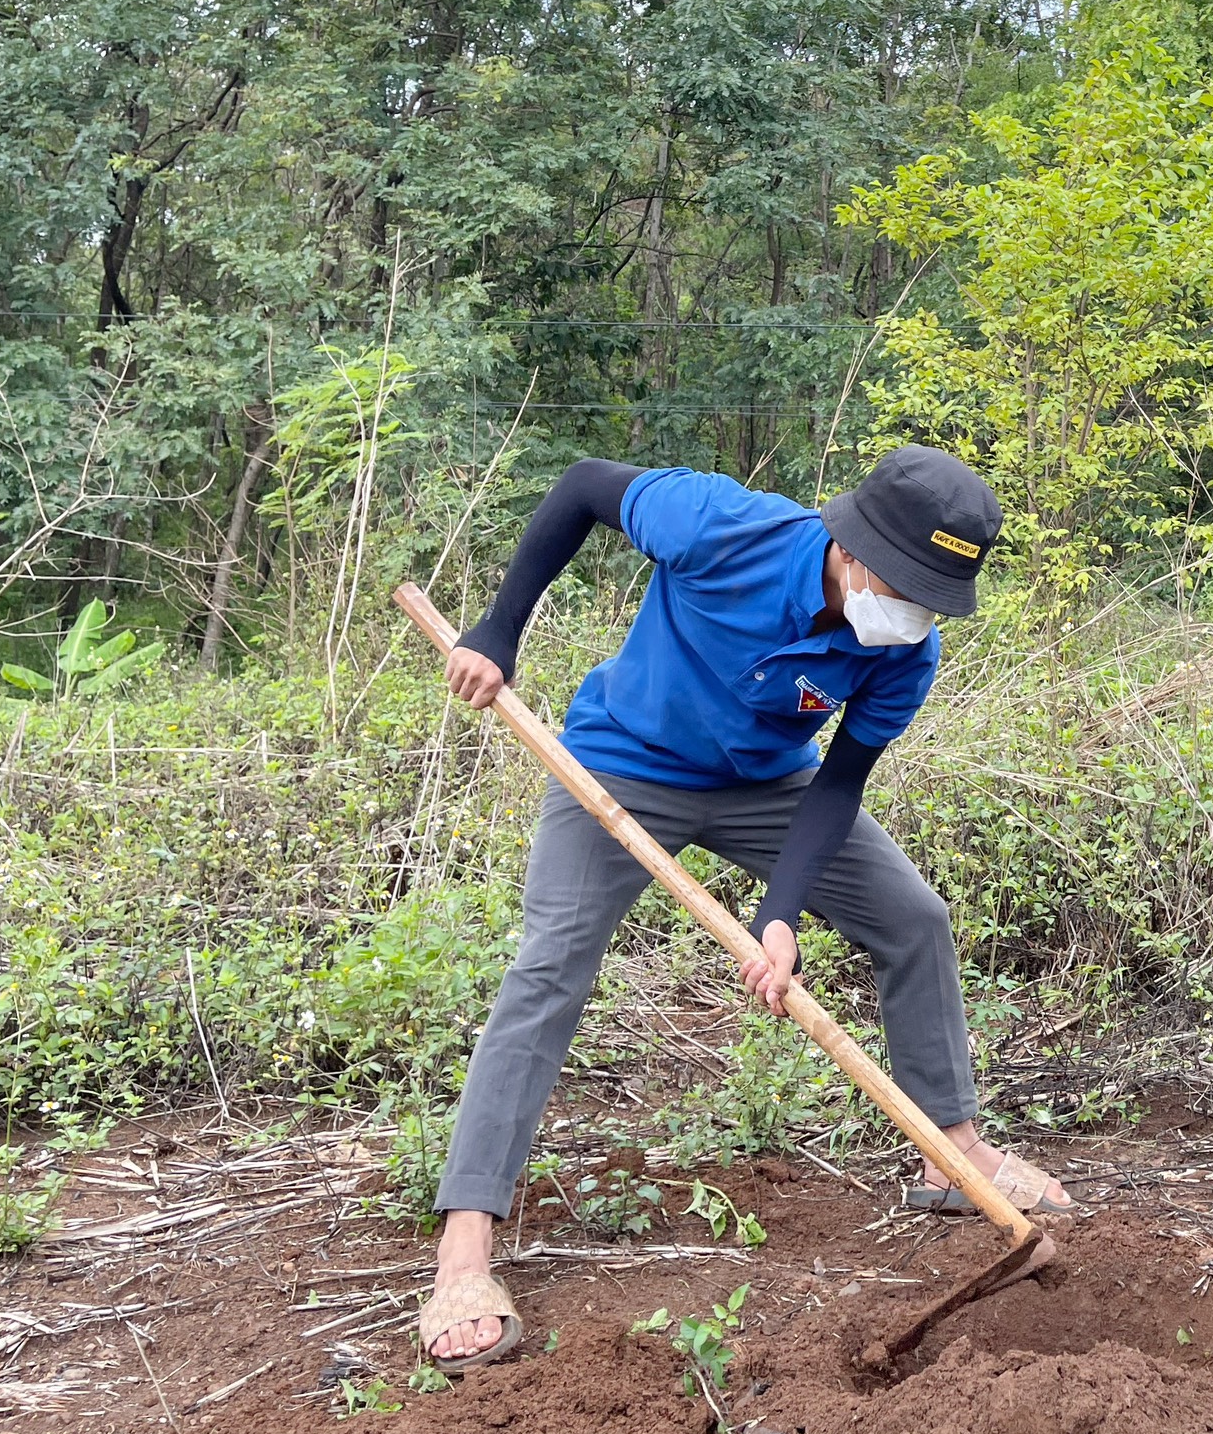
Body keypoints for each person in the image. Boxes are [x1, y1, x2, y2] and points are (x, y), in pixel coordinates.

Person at [415, 445, 1073, 1371]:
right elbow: (579, 488)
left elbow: (839, 784)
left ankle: (952, 1152)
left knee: (913, 918)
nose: (914, 614)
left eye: (932, 598)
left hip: (768, 789)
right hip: (621, 763)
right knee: (551, 962)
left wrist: (782, 913)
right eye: (905, 586)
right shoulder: (725, 527)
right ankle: (466, 1247)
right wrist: (498, 631)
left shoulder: (904, 648)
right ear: (852, 549)